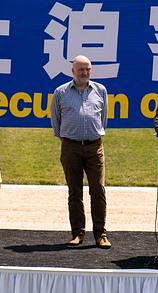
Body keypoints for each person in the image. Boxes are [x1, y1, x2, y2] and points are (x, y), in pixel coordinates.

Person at [51, 55, 111, 249]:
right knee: (74, 191)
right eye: (81, 70)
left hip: (94, 146)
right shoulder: (60, 92)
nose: (84, 73)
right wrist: (69, 138)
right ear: (73, 71)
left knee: (98, 190)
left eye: (88, 69)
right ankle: (77, 233)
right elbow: (56, 121)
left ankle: (100, 234)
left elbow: (103, 119)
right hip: (71, 146)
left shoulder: (100, 90)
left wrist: (92, 135)